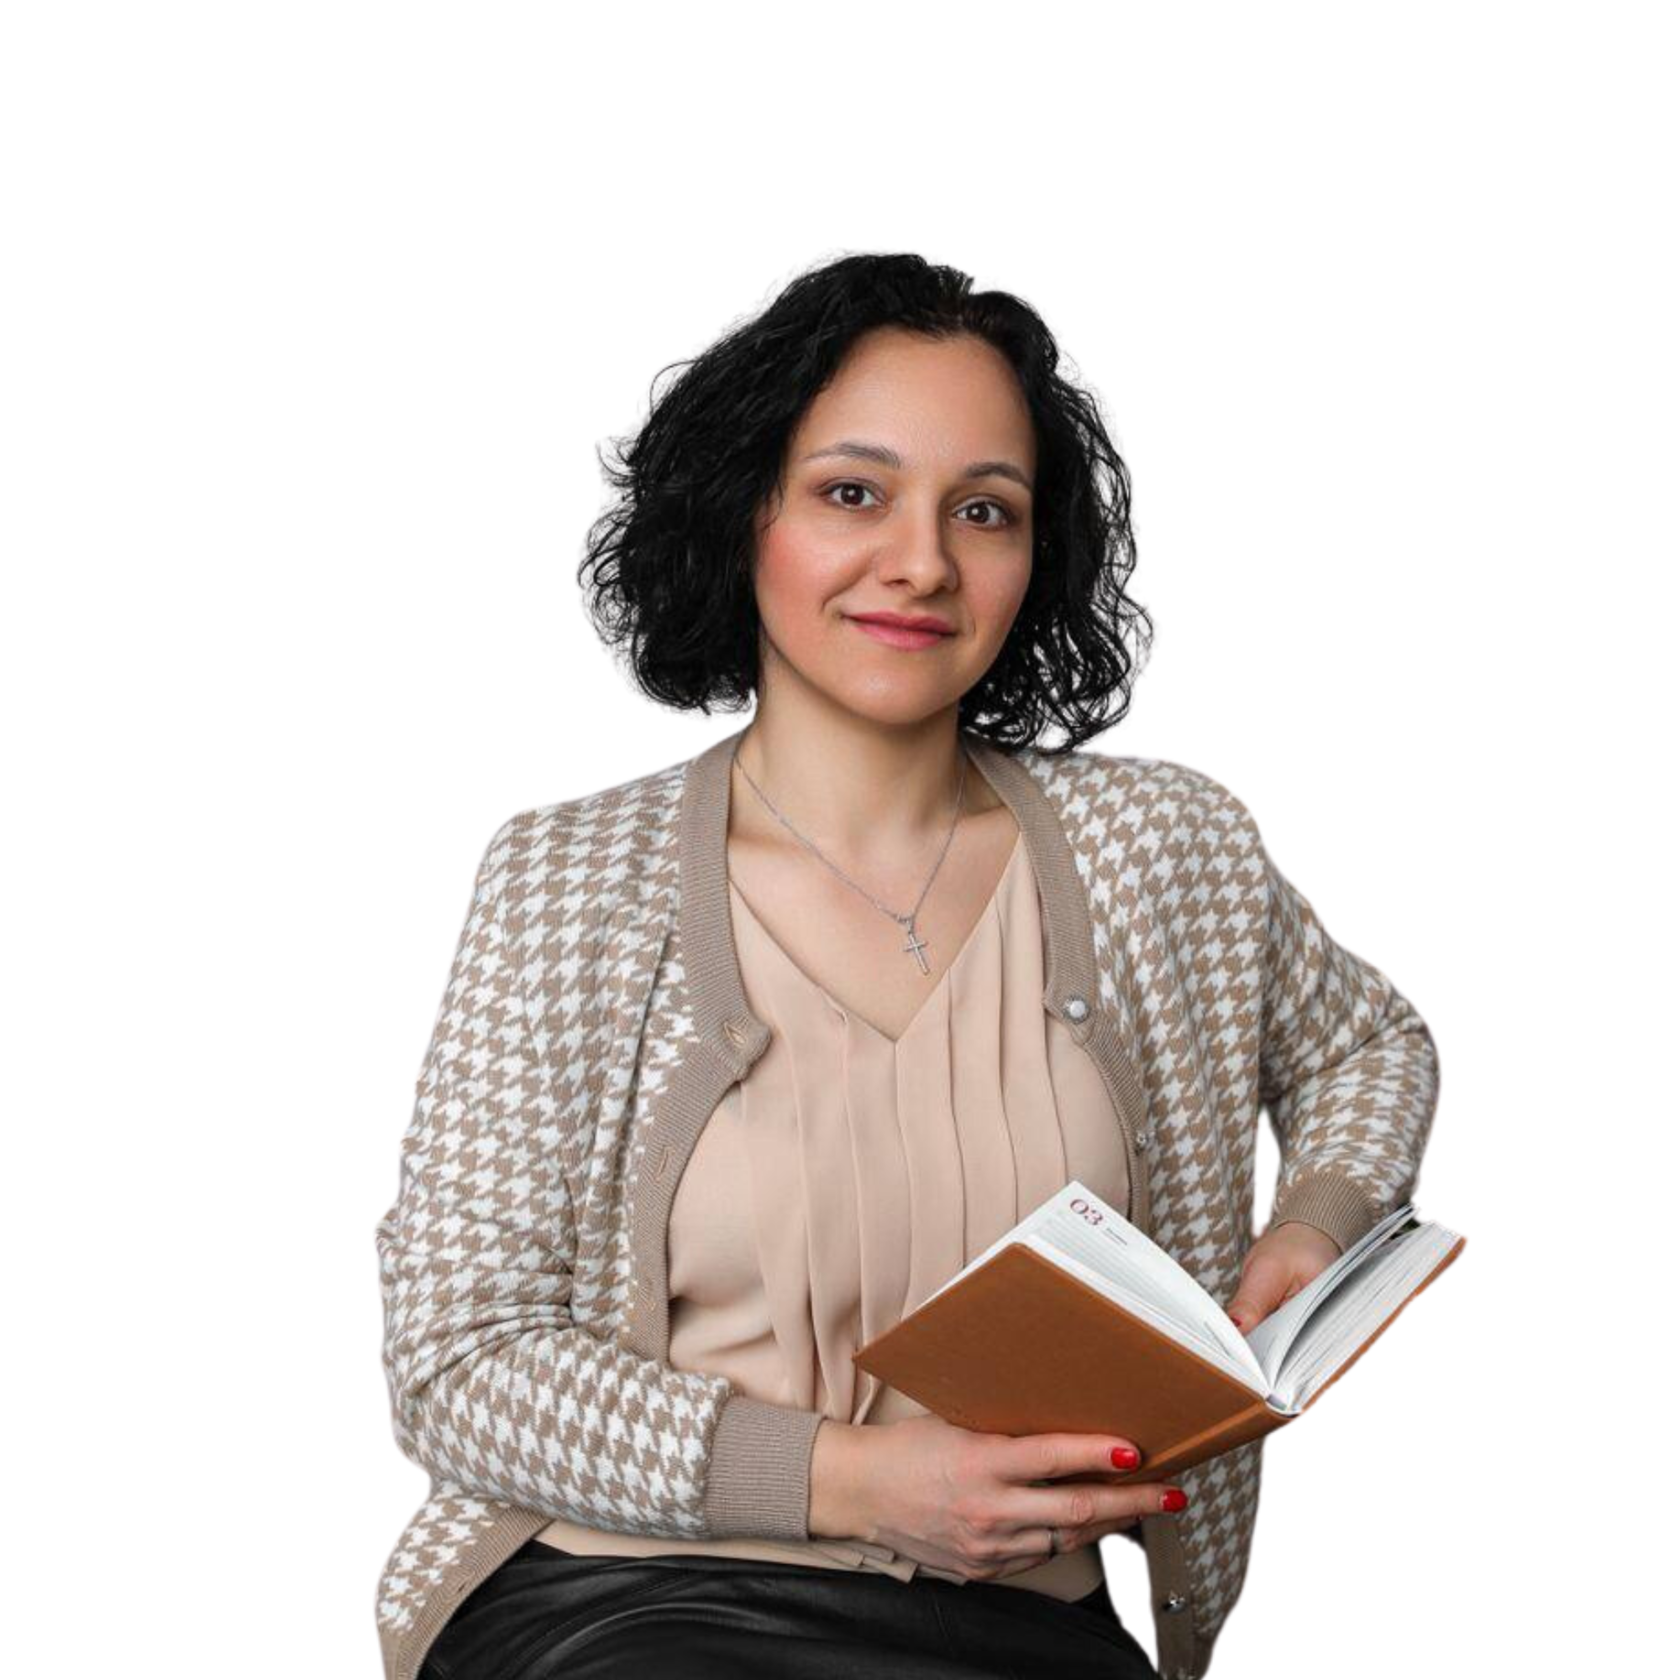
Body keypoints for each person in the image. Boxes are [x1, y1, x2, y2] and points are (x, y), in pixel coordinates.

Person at [370, 249, 1443, 1680]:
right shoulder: (564, 878)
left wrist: (1313, 1221)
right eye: (852, 494)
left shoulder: (1166, 843)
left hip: (1032, 1626)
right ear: (743, 513)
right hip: (631, 1600)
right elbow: (456, 1364)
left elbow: (1370, 1042)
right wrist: (854, 1482)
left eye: (983, 510)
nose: (924, 563)